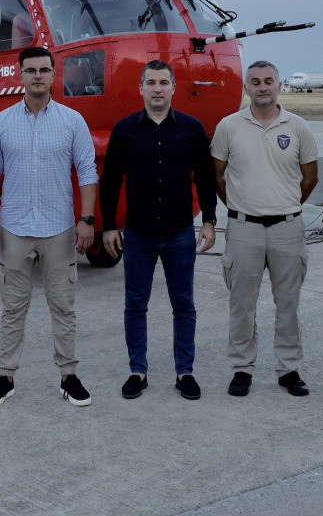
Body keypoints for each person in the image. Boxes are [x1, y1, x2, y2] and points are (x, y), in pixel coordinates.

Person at [0, 46, 99, 408]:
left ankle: (68, 375)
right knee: (13, 307)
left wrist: (86, 219)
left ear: (53, 74)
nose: (38, 76)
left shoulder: (72, 121)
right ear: (20, 75)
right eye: (31, 70)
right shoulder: (1, 122)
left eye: (44, 70)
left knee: (63, 305)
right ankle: (6, 376)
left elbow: (87, 173)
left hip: (59, 228)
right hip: (14, 228)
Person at [100, 60, 218, 401]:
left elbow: (206, 178)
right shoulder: (124, 130)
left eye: (163, 82)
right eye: (150, 82)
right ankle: (138, 371)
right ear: (140, 88)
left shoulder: (192, 129)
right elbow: (110, 183)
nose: (157, 88)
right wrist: (109, 225)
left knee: (184, 304)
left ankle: (185, 372)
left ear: (173, 88)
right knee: (135, 304)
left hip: (179, 232)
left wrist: (209, 219)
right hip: (138, 233)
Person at [210, 60, 319, 397]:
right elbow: (218, 174)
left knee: (288, 303)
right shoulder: (228, 126)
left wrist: (284, 205)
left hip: (287, 227)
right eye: (255, 82)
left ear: (279, 86)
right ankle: (242, 368)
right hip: (244, 229)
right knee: (242, 304)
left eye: (268, 81)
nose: (262, 87)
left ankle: (289, 369)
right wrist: (242, 207)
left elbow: (311, 177)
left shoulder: (298, 126)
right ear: (247, 87)